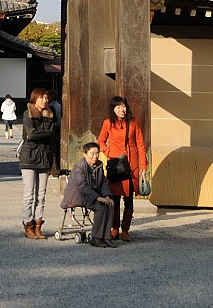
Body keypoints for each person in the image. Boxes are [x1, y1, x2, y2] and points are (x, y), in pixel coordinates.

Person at [98, 95, 148, 242]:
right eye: (118, 107)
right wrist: (109, 153)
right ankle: (114, 229)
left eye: (123, 106)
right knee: (115, 198)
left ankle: (125, 230)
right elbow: (101, 140)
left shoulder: (133, 123)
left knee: (129, 199)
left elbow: (141, 146)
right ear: (113, 109)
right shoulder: (108, 123)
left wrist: (143, 165)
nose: (122, 109)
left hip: (131, 166)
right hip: (116, 165)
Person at [60, 142, 116, 248]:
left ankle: (106, 237)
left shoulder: (99, 165)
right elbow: (82, 186)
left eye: (97, 153)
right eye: (92, 153)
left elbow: (104, 182)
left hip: (93, 195)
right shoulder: (79, 167)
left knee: (110, 204)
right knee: (100, 206)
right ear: (84, 154)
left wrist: (107, 196)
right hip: (79, 196)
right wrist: (98, 197)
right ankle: (96, 237)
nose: (95, 156)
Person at [18, 87, 56, 239]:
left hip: (45, 157)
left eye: (46, 98)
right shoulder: (28, 113)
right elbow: (31, 134)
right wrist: (47, 134)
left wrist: (44, 135)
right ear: (34, 99)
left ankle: (38, 225)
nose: (45, 101)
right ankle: (28, 225)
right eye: (42, 98)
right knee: (29, 195)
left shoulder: (50, 115)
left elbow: (51, 135)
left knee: (42, 195)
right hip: (29, 157)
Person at [48, 90, 62, 174]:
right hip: (58, 128)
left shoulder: (52, 107)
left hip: (54, 128)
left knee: (53, 151)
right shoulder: (59, 105)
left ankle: (54, 170)